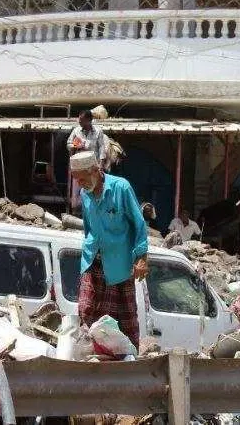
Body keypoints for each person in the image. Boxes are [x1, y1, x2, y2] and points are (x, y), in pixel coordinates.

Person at [71, 150, 148, 351]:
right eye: (76, 180)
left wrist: (141, 258)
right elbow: (88, 227)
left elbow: (138, 223)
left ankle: (128, 358)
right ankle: (91, 352)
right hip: (92, 259)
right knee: (85, 310)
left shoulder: (121, 188)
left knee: (123, 319)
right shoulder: (84, 194)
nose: (80, 184)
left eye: (82, 178)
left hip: (118, 263)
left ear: (95, 170)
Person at [67, 109, 108, 210]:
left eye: (82, 120)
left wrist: (101, 165)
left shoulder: (98, 132)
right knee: (77, 193)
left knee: (92, 190)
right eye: (79, 119)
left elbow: (102, 149)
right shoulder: (76, 131)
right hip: (78, 168)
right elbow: (68, 144)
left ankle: (92, 212)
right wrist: (75, 146)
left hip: (92, 169)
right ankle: (76, 212)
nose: (79, 122)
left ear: (89, 120)